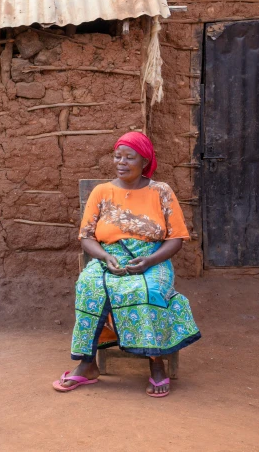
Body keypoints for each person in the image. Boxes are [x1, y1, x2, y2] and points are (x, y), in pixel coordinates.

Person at [53, 132, 201, 398]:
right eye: (117, 156)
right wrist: (104, 257)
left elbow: (176, 238)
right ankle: (87, 364)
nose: (121, 162)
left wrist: (150, 261)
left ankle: (156, 364)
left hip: (152, 258)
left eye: (129, 157)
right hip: (108, 256)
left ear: (144, 161)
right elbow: (86, 236)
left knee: (147, 291)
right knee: (89, 285)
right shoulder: (102, 192)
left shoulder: (161, 191)